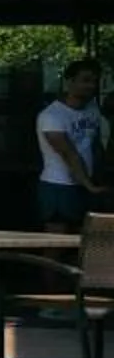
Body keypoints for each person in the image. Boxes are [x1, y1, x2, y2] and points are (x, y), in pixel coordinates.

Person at [36, 59, 104, 232]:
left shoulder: (92, 110)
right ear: (70, 81)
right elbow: (68, 153)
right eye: (85, 80)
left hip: (84, 184)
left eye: (94, 81)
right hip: (58, 186)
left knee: (84, 242)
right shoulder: (52, 116)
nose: (90, 86)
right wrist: (89, 186)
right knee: (57, 243)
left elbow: (94, 144)